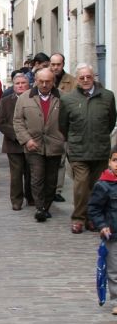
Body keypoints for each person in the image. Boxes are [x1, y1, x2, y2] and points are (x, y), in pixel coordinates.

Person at [59, 63, 117, 233]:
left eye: (88, 77)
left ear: (94, 77)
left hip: (100, 149)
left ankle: (93, 218)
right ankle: (78, 218)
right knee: (81, 185)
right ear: (77, 79)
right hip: (78, 149)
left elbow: (111, 121)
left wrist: (99, 136)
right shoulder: (68, 99)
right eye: (81, 77)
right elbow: (63, 125)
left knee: (97, 186)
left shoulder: (107, 96)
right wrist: (74, 139)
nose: (85, 80)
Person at [14, 67, 63, 223]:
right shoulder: (24, 98)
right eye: (40, 81)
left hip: (54, 145)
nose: (44, 84)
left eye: (47, 81)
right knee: (37, 177)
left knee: (51, 179)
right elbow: (18, 121)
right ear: (35, 81)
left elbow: (69, 121)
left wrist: (63, 138)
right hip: (33, 145)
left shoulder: (63, 98)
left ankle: (46, 206)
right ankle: (40, 208)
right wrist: (27, 139)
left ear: (53, 82)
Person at [0, 73, 34, 210]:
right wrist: (18, 135)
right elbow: (0, 122)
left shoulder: (34, 99)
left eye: (23, 83)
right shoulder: (6, 101)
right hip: (13, 144)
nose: (20, 86)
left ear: (28, 84)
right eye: (17, 83)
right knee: (16, 174)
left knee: (31, 172)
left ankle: (31, 197)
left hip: (32, 142)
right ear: (13, 85)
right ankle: (16, 200)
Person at [87, 148, 117, 315]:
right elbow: (94, 209)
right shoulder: (103, 185)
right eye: (115, 160)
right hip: (112, 234)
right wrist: (102, 225)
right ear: (109, 162)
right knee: (114, 270)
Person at [50, 53, 77, 203]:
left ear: (63, 64)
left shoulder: (72, 81)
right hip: (49, 127)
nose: (55, 67)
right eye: (52, 64)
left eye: (58, 64)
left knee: (62, 161)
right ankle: (50, 189)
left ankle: (57, 190)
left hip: (66, 127)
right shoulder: (44, 78)